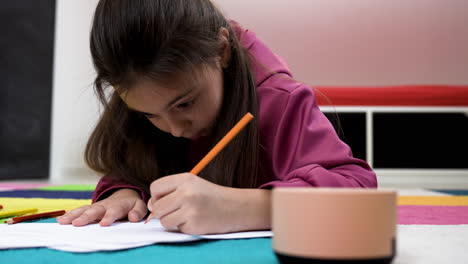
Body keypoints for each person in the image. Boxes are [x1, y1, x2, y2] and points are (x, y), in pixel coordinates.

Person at [57, 0, 377, 235]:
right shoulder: (143, 91)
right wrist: (124, 194)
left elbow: (359, 195)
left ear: (222, 51)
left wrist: (243, 208)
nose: (174, 129)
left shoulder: (279, 99)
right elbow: (131, 169)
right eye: (148, 114)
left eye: (184, 104)